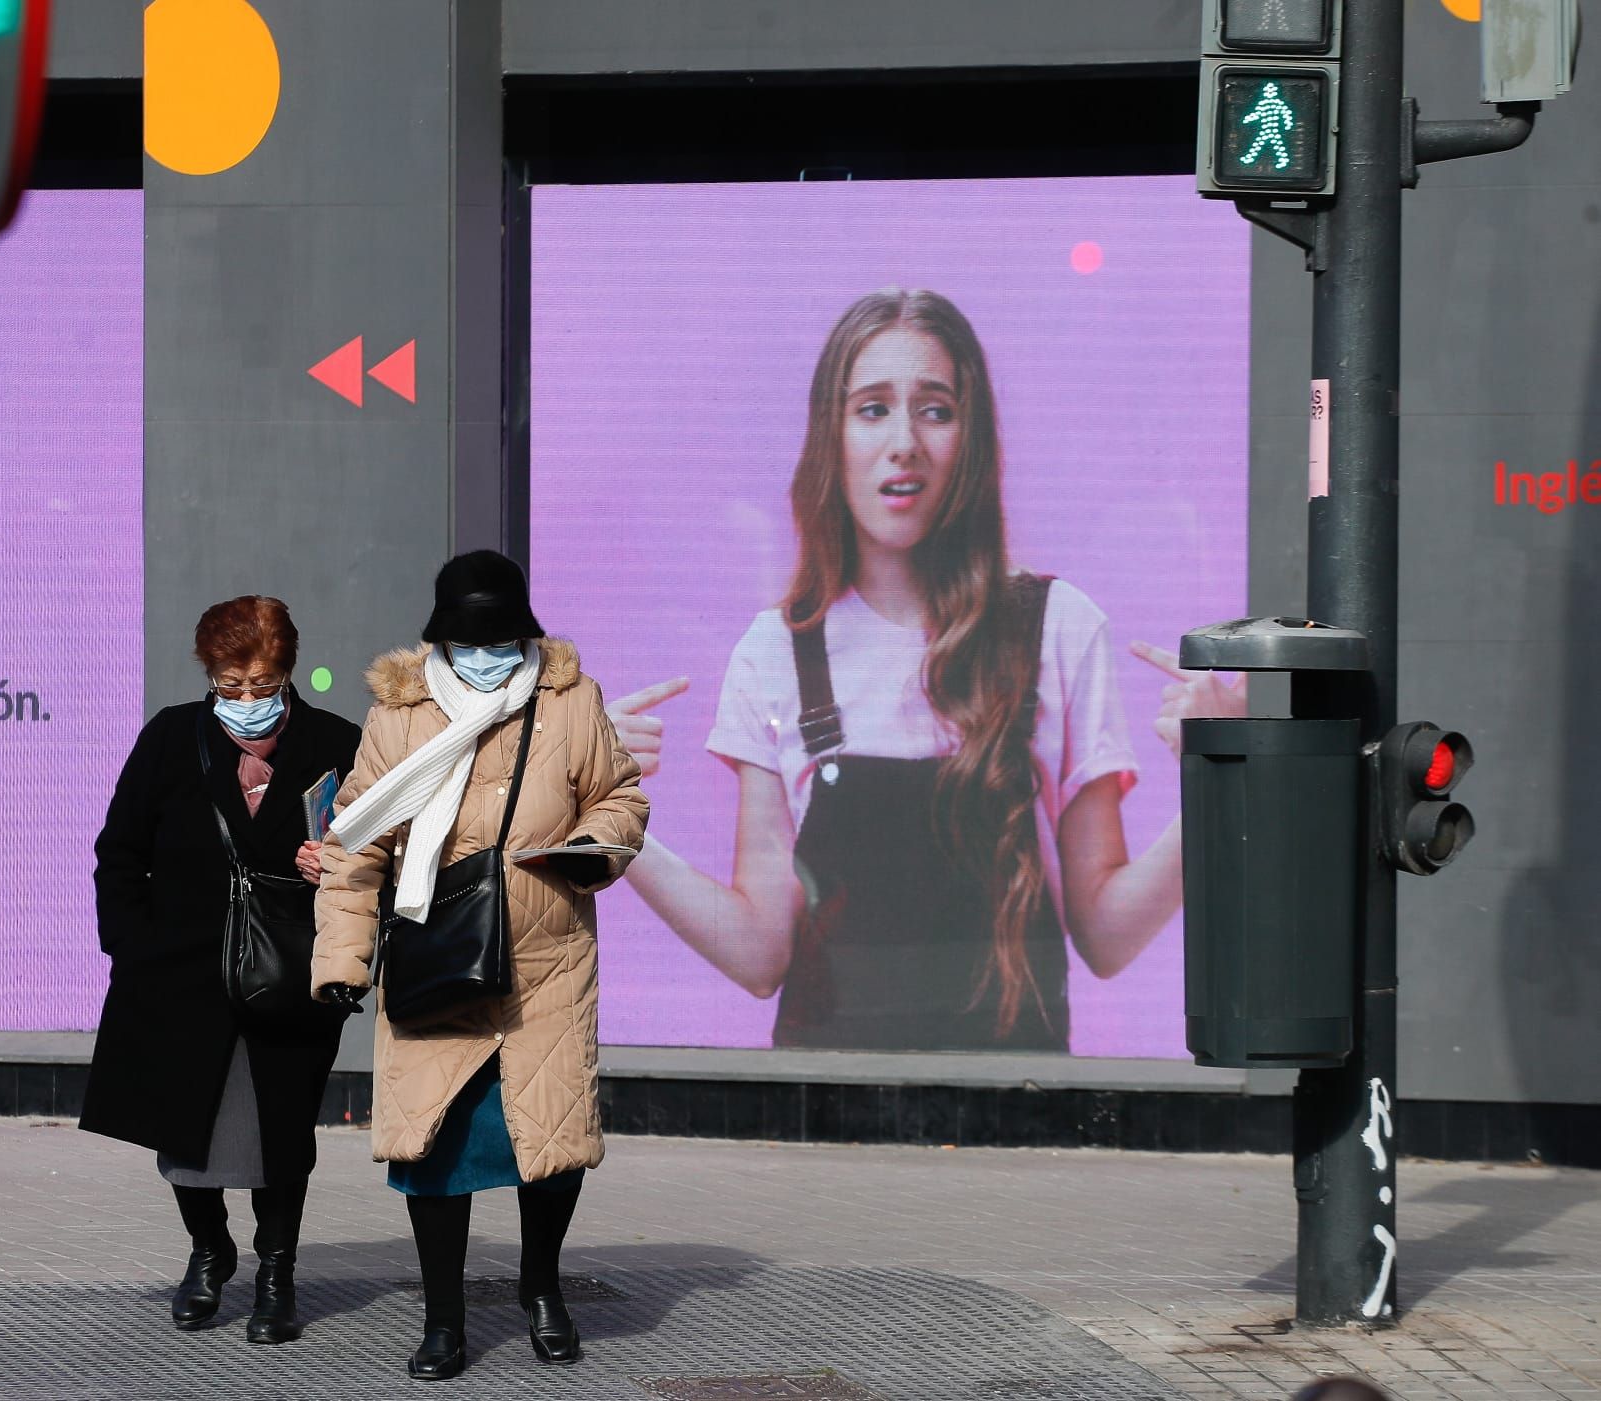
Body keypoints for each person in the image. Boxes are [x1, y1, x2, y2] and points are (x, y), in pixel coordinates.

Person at [611, 288, 1244, 1053]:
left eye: (935, 409)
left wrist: (1225, 776)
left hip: (1017, 1128)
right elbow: (759, 953)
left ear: (969, 438)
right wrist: (611, 824)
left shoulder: (1057, 626)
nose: (904, 441)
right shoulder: (775, 651)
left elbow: (1108, 935)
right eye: (872, 408)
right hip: (823, 1130)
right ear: (831, 436)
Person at [312, 550, 648, 1381]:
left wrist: (592, 846)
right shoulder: (401, 713)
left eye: (503, 637)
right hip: (435, 958)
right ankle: (443, 1319)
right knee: (436, 1150)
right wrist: (342, 960)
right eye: (473, 640)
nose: (489, 653)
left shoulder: (570, 698)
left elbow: (620, 794)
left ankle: (542, 1288)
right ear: (444, 640)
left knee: (552, 1142)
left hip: (547, 961)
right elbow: (356, 844)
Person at [80, 596, 361, 1342]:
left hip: (291, 977)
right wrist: (133, 952)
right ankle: (209, 1249)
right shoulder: (172, 738)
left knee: (281, 1134)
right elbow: (120, 853)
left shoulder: (339, 744)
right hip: (180, 975)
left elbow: (379, 863)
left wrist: (335, 868)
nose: (246, 701)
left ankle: (277, 1269)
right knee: (187, 1129)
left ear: (288, 672)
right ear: (209, 675)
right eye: (230, 685)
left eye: (261, 685)